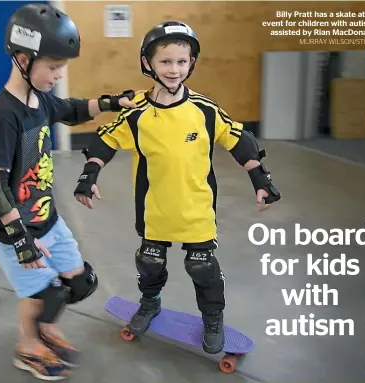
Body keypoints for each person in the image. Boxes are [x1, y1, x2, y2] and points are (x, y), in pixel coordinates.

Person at [73, 21, 281, 355]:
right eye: (165, 62)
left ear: (191, 63)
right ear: (148, 64)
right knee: (150, 262)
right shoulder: (136, 112)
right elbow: (105, 140)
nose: (174, 69)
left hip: (196, 209)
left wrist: (261, 180)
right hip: (154, 207)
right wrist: (89, 176)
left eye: (182, 62)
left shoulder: (203, 110)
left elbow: (240, 139)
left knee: (202, 267)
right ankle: (150, 303)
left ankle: (213, 318)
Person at [0, 3, 138, 380]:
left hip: (45, 217)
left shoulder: (40, 101)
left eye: (63, 66)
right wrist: (21, 240)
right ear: (21, 59)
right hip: (13, 227)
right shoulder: (3, 115)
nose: (59, 74)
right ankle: (28, 344)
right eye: (52, 66)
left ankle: (46, 326)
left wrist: (113, 102)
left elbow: (74, 108)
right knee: (42, 292)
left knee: (78, 282)